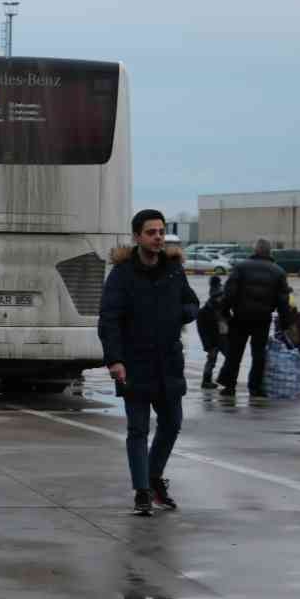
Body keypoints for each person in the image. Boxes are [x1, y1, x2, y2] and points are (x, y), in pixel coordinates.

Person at [98, 210, 200, 516]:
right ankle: (142, 491)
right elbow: (109, 320)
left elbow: (191, 301)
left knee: (172, 425)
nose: (158, 237)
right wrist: (115, 360)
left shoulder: (173, 270)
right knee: (138, 430)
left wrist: (183, 314)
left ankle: (154, 478)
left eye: (161, 232)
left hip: (168, 362)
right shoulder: (122, 274)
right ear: (137, 237)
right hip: (135, 363)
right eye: (151, 232)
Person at [217, 238, 293, 396]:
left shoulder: (240, 267)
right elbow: (283, 302)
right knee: (258, 354)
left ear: (255, 251)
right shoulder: (278, 272)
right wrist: (286, 324)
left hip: (240, 317)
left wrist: (223, 312)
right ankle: (255, 388)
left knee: (234, 353)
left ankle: (229, 386)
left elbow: (229, 293)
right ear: (269, 252)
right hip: (263, 319)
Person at [195, 274, 229, 389]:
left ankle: (223, 379)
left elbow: (230, 322)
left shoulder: (224, 309)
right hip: (213, 341)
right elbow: (203, 332)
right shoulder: (204, 313)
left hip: (223, 339)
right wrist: (208, 345)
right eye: (219, 297)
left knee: (230, 359)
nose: (221, 299)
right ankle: (206, 381)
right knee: (211, 360)